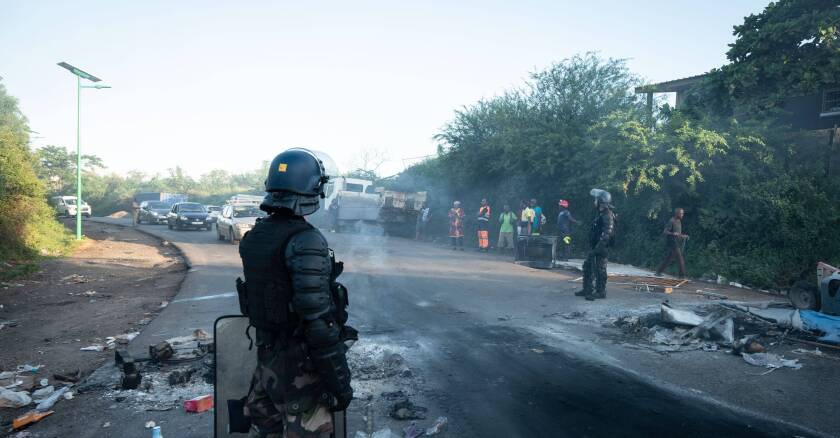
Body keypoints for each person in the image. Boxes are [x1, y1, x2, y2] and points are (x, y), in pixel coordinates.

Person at [237, 148, 354, 437]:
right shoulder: (306, 239)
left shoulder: (257, 236)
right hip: (298, 367)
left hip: (268, 359)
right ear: (312, 187)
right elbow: (316, 321)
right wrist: (340, 382)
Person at [575, 189, 616, 301]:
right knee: (587, 266)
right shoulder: (600, 213)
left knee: (600, 269)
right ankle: (587, 289)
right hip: (596, 246)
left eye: (596, 200)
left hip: (602, 248)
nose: (594, 202)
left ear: (601, 202)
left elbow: (607, 233)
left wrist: (598, 248)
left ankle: (600, 292)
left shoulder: (608, 215)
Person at [655, 208, 688, 278]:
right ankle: (682, 276)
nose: (682, 215)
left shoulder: (679, 221)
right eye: (681, 213)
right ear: (677, 213)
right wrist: (673, 233)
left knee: (669, 258)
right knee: (680, 257)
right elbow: (665, 231)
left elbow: (677, 233)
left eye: (683, 213)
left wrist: (682, 235)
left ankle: (658, 272)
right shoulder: (671, 221)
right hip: (672, 242)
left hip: (677, 242)